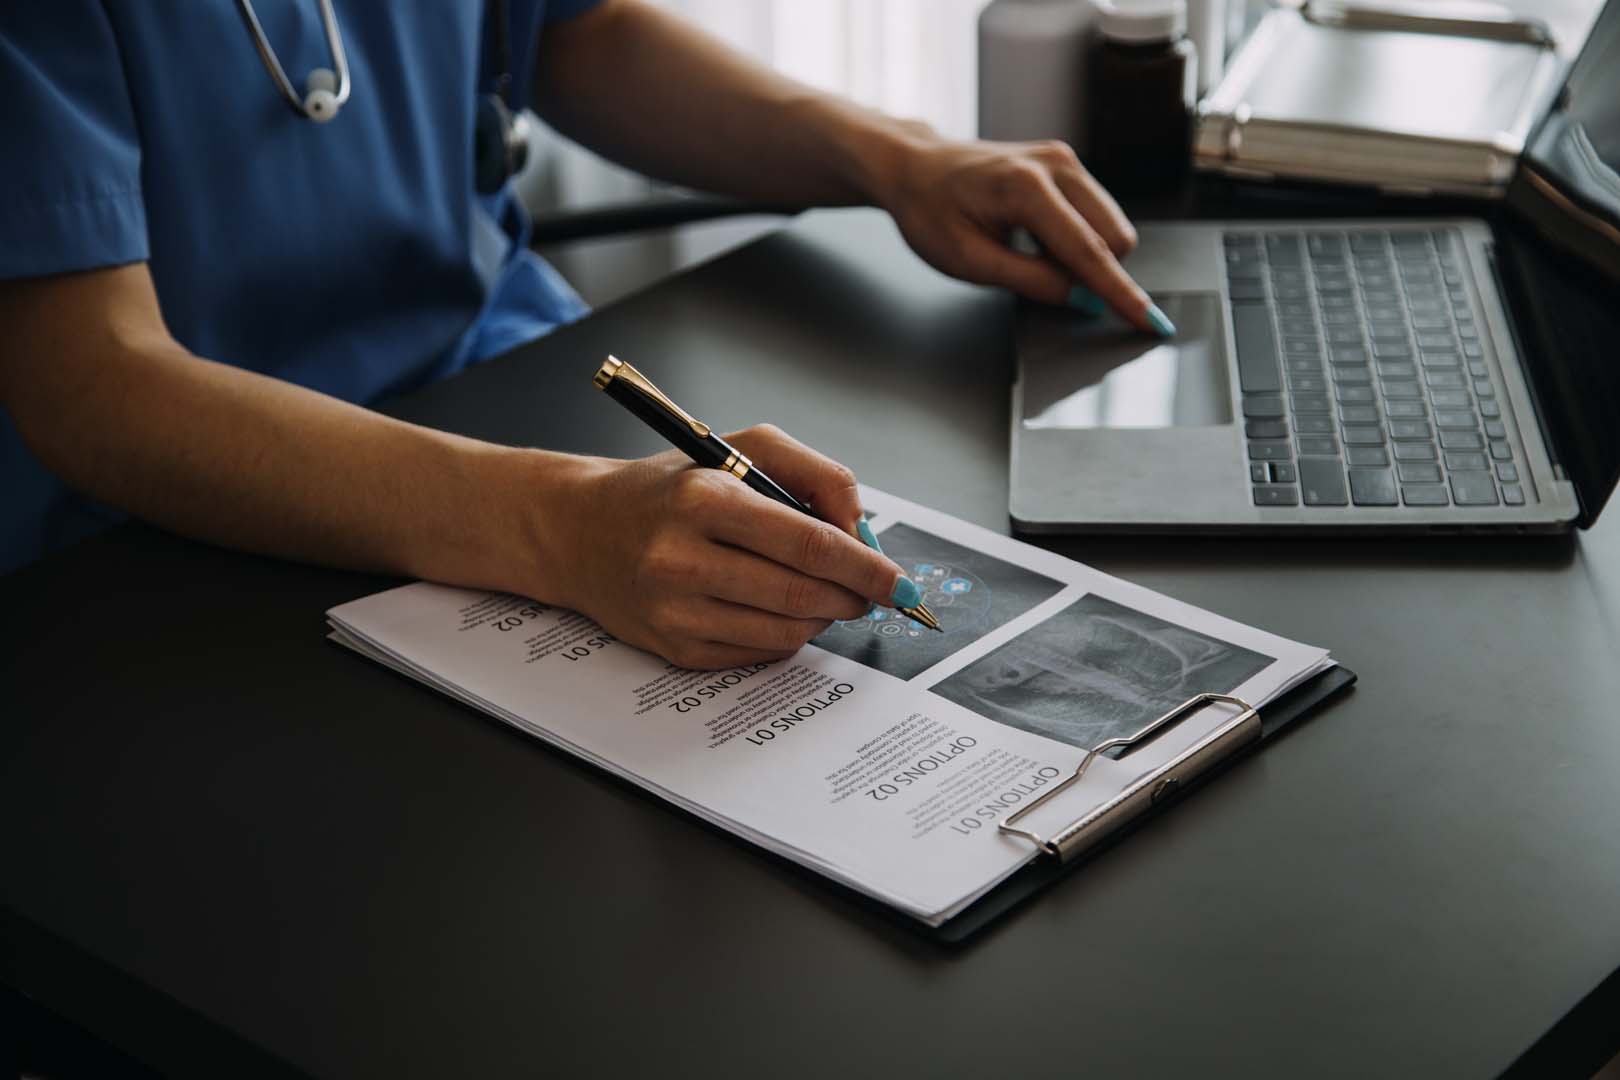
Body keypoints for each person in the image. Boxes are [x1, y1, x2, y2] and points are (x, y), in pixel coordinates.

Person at [0, 0, 1162, 669]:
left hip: (514, 390)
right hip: (163, 546)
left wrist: (892, 156)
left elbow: (572, 30)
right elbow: (92, 382)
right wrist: (561, 528)